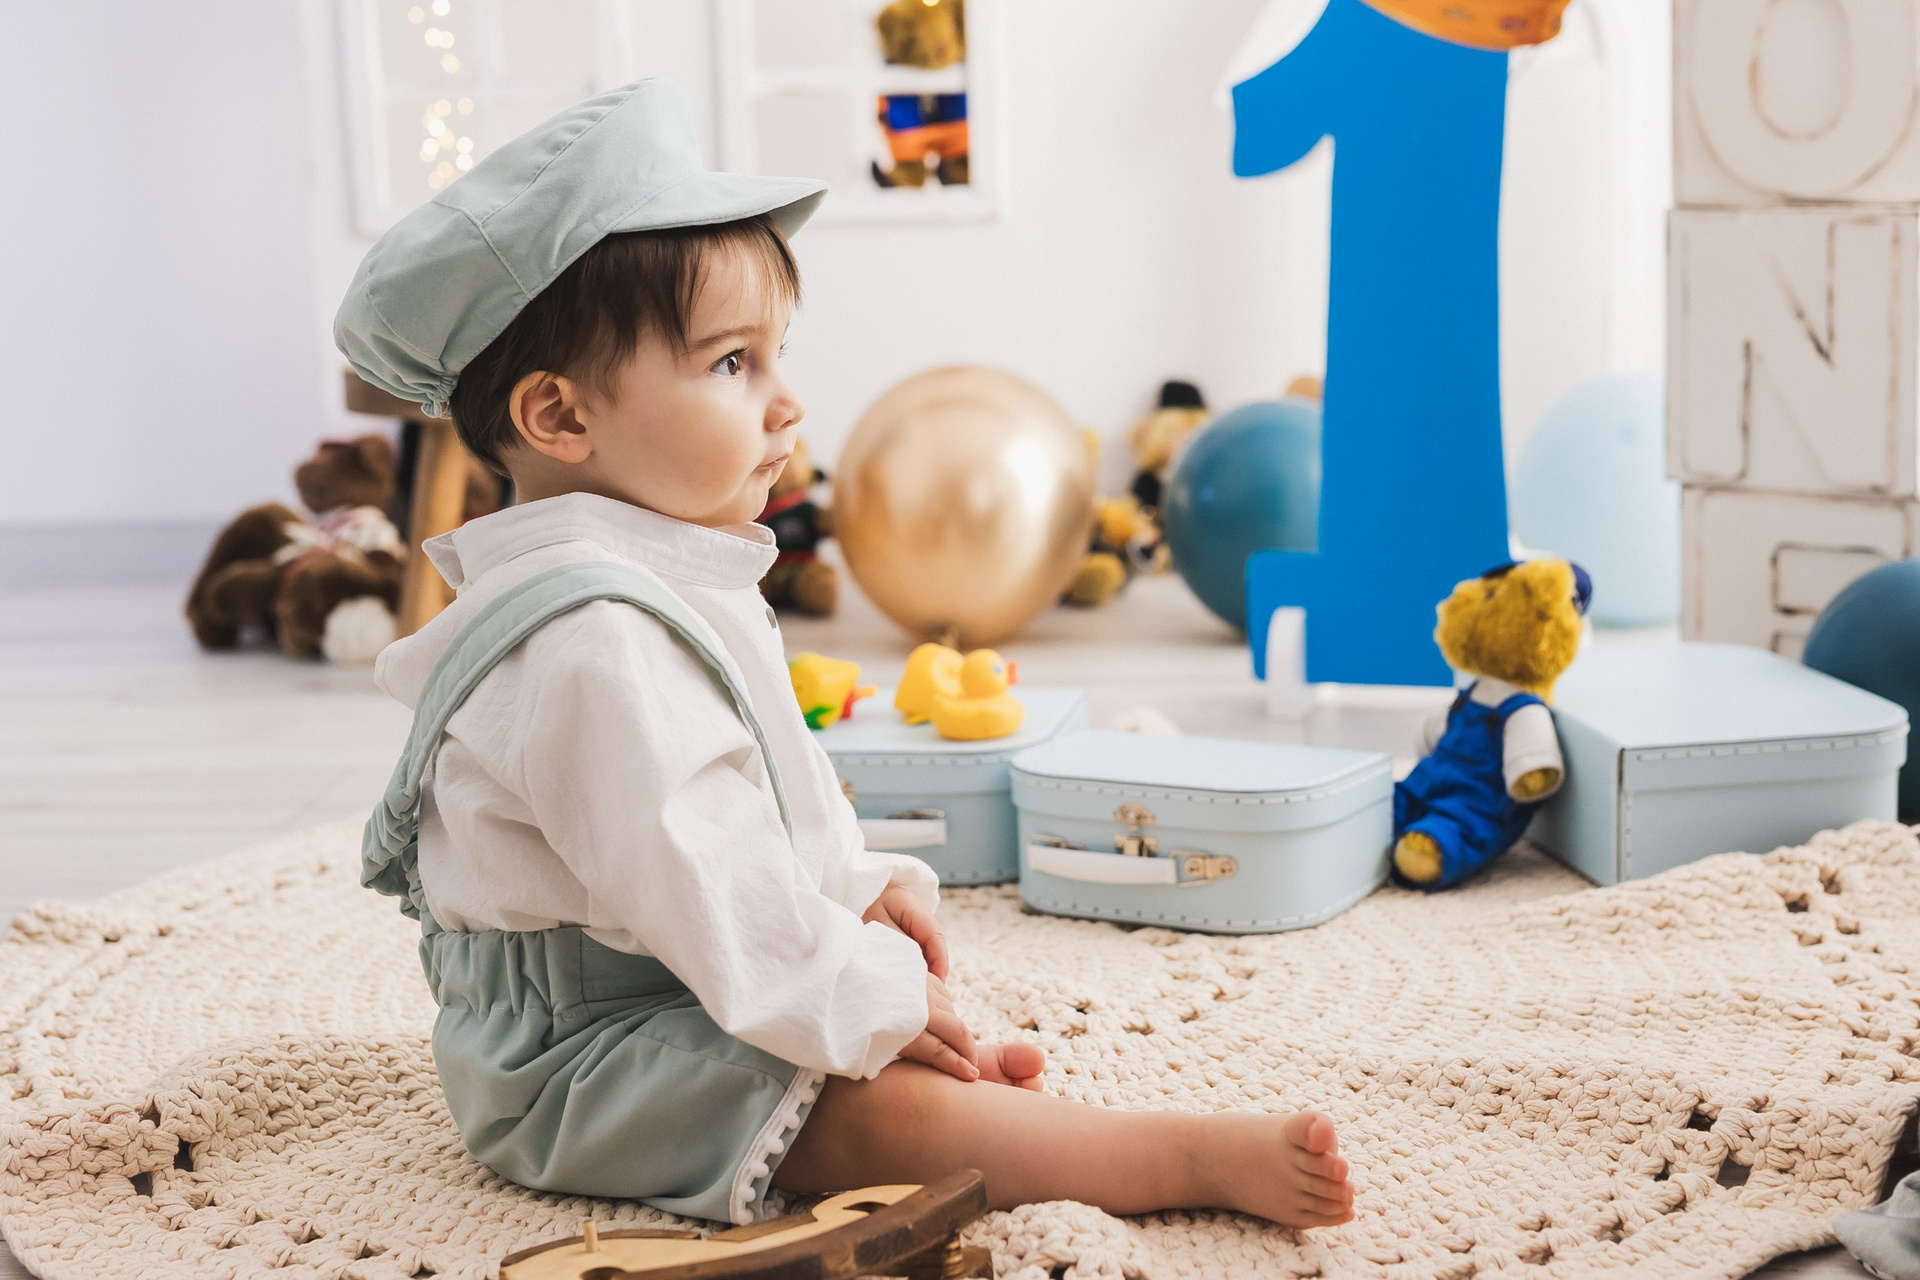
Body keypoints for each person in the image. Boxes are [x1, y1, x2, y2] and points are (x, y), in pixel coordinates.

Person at [340, 78, 1354, 1231]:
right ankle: (1165, 1156)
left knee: (874, 1055)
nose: (788, 405)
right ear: (561, 417)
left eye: (776, 355)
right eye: (733, 364)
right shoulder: (584, 643)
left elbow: (770, 784)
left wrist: (860, 890)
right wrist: (862, 996)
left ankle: (961, 1111)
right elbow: (700, 862)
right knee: (872, 1106)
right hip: (577, 1055)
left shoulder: (664, 574)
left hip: (685, 972)